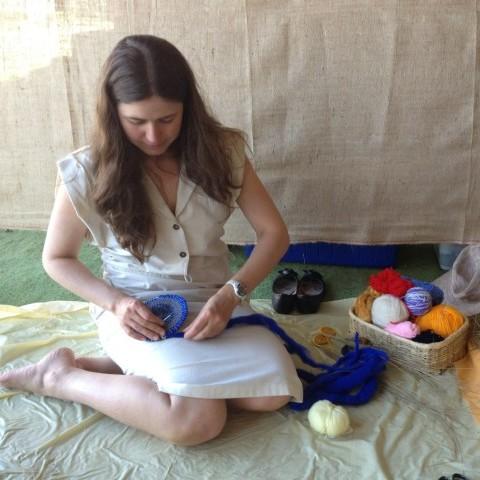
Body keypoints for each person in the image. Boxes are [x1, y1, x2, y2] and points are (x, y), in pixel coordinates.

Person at [0, 35, 302, 446]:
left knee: (274, 392)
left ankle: (125, 371)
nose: (154, 136)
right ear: (113, 114)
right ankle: (59, 377)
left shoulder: (223, 151)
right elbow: (57, 258)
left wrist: (232, 295)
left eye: (166, 120)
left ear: (187, 110)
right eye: (136, 122)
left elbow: (274, 234)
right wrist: (116, 304)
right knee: (198, 420)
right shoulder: (87, 170)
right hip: (137, 312)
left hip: (214, 306)